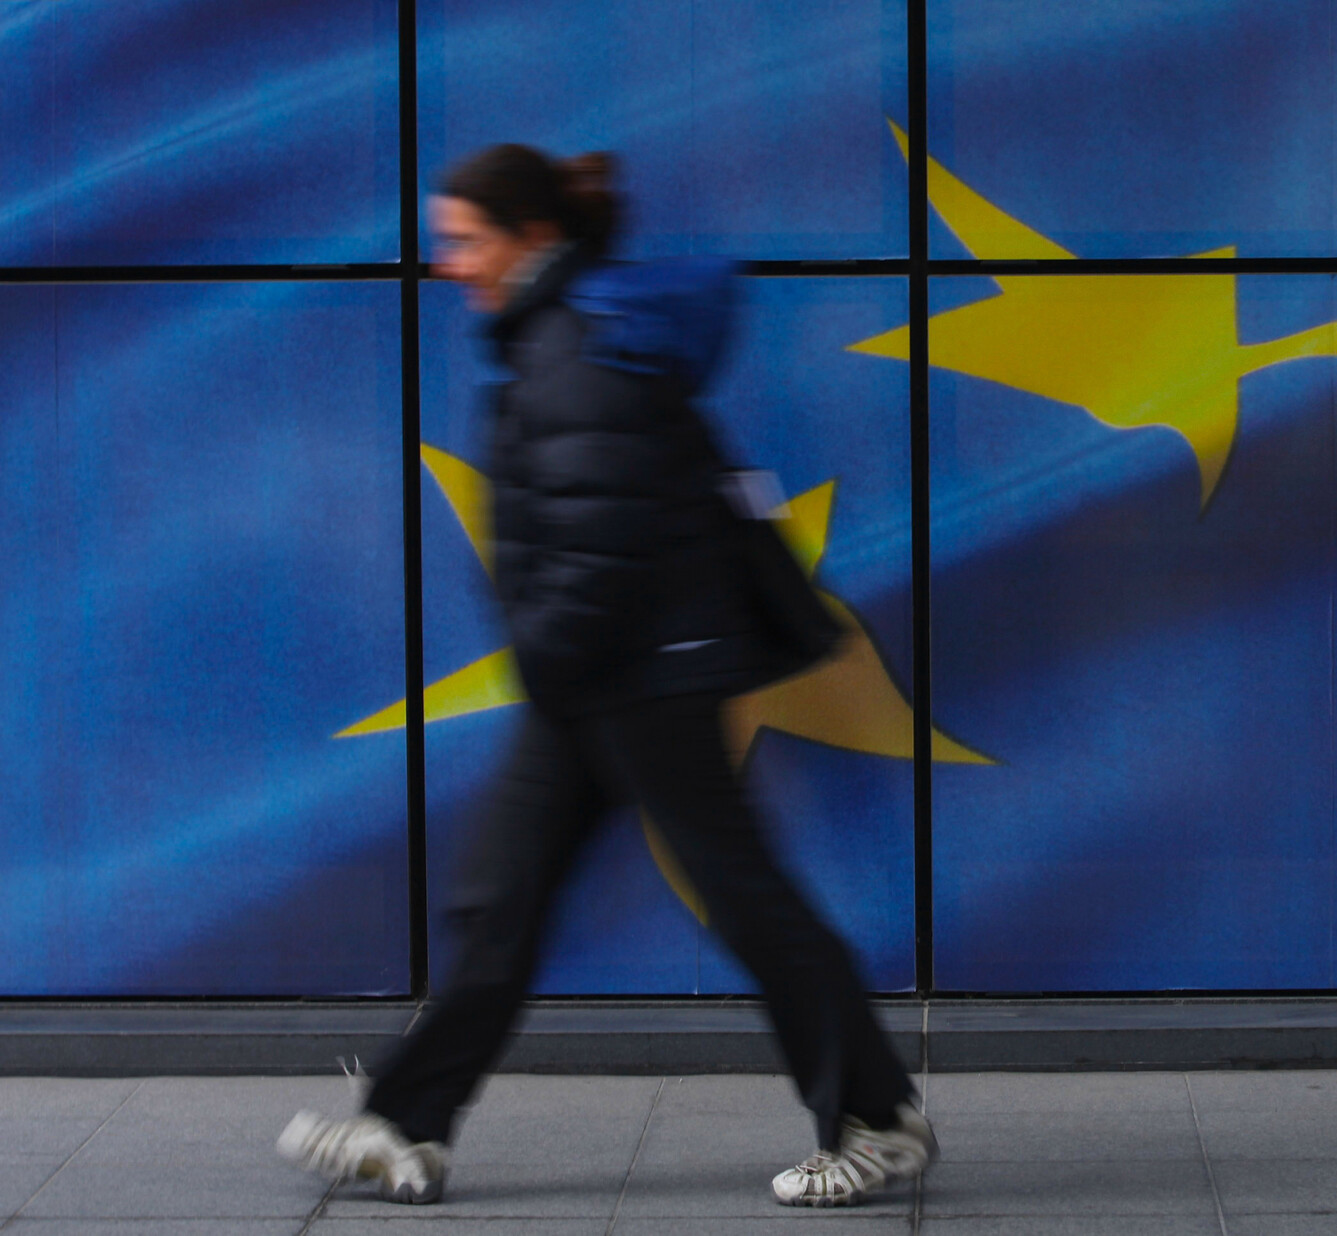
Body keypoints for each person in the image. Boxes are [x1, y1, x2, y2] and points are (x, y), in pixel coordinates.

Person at [275, 143, 934, 1209]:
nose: (448, 263)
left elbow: (603, 540)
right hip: (600, 674)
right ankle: (404, 1127)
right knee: (503, 899)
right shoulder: (564, 337)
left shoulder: (577, 349)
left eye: (465, 240)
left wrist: (546, 655)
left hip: (638, 675)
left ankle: (877, 1120)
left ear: (531, 236)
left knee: (742, 896)